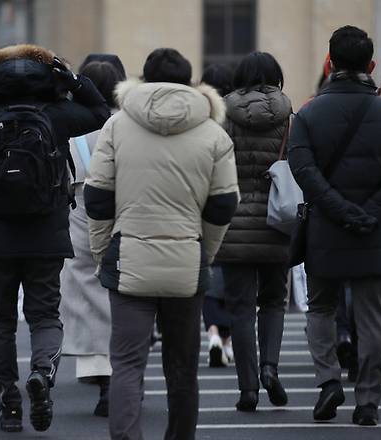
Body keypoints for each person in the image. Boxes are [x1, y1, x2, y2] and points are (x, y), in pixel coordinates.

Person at [0, 43, 109, 433]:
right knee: (45, 315)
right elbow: (100, 111)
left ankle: (9, 401)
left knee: (0, 320)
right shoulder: (61, 116)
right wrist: (73, 79)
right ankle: (43, 374)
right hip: (47, 232)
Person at [85, 47, 239, 440]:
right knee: (182, 366)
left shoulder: (117, 126)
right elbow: (223, 206)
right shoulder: (213, 133)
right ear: (190, 83)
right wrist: (204, 250)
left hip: (129, 257)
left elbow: (98, 198)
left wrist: (105, 252)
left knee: (127, 364)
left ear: (142, 79)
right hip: (186, 260)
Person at [288, 26, 381, 426]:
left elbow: (303, 171)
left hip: (325, 229)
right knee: (372, 314)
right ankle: (368, 402)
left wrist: (339, 209)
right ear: (371, 65)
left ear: (330, 64)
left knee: (321, 307)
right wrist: (372, 212)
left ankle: (328, 380)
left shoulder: (308, 114)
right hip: (374, 231)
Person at [215, 51, 292, 412]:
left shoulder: (223, 117)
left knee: (241, 308)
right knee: (274, 301)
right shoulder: (289, 118)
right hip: (279, 223)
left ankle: (248, 388)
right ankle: (269, 367)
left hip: (233, 225)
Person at [59, 54, 126, 418]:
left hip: (82, 210)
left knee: (87, 288)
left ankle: (99, 373)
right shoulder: (125, 123)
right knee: (126, 291)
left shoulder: (70, 127)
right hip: (125, 209)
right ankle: (124, 372)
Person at [200, 63, 235, 368]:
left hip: (205, 206)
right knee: (236, 280)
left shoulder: (202, 121)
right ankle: (227, 340)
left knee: (210, 276)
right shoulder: (239, 118)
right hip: (240, 208)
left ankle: (212, 334)